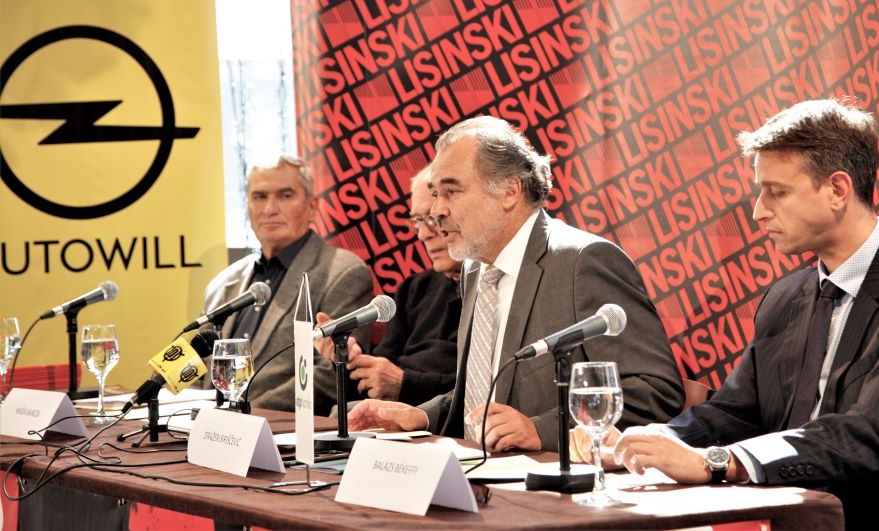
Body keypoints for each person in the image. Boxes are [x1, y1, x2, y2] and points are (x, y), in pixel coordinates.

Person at [574, 100, 879, 530]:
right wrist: (654, 443)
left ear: (837, 189)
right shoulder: (786, 296)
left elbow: (872, 435)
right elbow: (735, 412)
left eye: (777, 192)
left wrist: (717, 461)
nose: (759, 210)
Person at [347, 116, 685, 452]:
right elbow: (484, 394)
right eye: (435, 194)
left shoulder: (584, 262)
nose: (436, 210)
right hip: (474, 465)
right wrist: (422, 416)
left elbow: (654, 391)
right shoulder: (476, 268)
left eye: (451, 191)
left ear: (509, 190)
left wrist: (540, 430)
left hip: (550, 476)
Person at [201, 155, 373, 414]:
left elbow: (332, 374)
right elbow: (199, 367)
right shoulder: (223, 283)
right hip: (206, 424)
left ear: (312, 206)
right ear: (247, 206)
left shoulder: (342, 272)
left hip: (282, 429)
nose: (270, 208)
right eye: (259, 196)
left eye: (285, 195)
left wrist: (245, 413)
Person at [317, 166, 463, 404]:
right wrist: (346, 359)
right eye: (417, 221)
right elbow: (374, 382)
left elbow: (482, 389)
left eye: (433, 219)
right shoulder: (413, 290)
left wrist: (405, 384)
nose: (423, 235)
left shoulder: (495, 290)